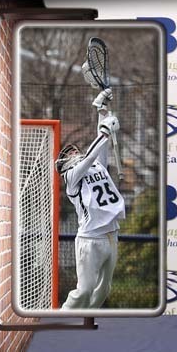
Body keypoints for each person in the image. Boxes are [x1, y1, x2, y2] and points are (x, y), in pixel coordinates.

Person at [56, 88, 125, 309]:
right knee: (84, 290)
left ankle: (88, 320)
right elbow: (96, 147)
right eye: (69, 154)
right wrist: (105, 131)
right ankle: (64, 315)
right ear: (65, 164)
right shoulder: (71, 177)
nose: (74, 153)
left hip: (112, 234)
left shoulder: (96, 165)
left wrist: (102, 110)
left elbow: (99, 149)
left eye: (75, 150)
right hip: (90, 239)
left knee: (105, 288)